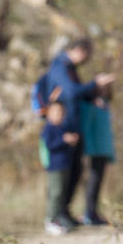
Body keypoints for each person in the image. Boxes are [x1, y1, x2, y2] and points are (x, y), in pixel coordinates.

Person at [43, 37, 114, 227]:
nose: (88, 58)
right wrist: (94, 84)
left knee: (75, 171)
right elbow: (72, 92)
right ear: (78, 50)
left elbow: (77, 95)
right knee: (63, 174)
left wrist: (96, 95)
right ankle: (56, 215)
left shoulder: (71, 69)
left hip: (75, 127)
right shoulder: (60, 67)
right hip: (63, 128)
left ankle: (65, 213)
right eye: (88, 53)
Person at [41, 97, 80, 236]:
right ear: (49, 113)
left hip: (65, 166)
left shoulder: (63, 127)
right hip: (55, 167)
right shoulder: (49, 129)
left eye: (61, 112)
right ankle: (50, 220)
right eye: (56, 111)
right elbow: (49, 145)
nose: (59, 114)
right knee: (55, 194)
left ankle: (59, 218)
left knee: (62, 193)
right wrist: (64, 140)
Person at [80, 83, 115, 226]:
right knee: (92, 182)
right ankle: (89, 213)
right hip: (93, 149)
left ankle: (93, 212)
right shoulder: (89, 105)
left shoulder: (106, 104)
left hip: (104, 149)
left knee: (98, 181)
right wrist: (86, 150)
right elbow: (87, 128)